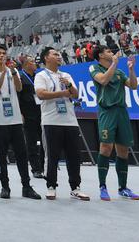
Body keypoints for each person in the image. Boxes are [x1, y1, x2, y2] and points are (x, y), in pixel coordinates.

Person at [0, 44, 41, 199]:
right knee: (1, 155)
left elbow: (19, 88)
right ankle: (5, 186)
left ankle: (26, 187)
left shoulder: (12, 71)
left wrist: (13, 72)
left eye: (4, 53)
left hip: (15, 120)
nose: (2, 56)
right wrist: (2, 72)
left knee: (22, 154)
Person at [34, 47, 89, 201]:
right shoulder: (41, 75)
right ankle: (51, 186)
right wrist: (62, 93)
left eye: (59, 54)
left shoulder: (66, 75)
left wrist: (69, 86)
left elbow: (76, 94)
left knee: (74, 156)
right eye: (55, 54)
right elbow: (41, 94)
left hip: (70, 121)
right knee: (52, 156)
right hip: (51, 121)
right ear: (46, 58)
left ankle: (75, 188)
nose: (59, 56)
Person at [90, 45, 139, 201]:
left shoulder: (118, 72)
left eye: (112, 52)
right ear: (100, 55)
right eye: (108, 51)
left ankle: (123, 188)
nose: (111, 53)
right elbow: (104, 80)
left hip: (121, 112)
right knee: (106, 147)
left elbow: (134, 86)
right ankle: (103, 186)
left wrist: (131, 70)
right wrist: (114, 63)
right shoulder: (94, 68)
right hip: (107, 112)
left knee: (123, 150)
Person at [16, 56, 45, 178]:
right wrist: (20, 113)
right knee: (31, 142)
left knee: (44, 142)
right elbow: (17, 97)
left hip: (42, 113)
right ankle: (35, 168)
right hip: (28, 114)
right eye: (32, 62)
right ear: (26, 65)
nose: (35, 64)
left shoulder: (39, 77)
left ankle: (44, 166)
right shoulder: (20, 78)